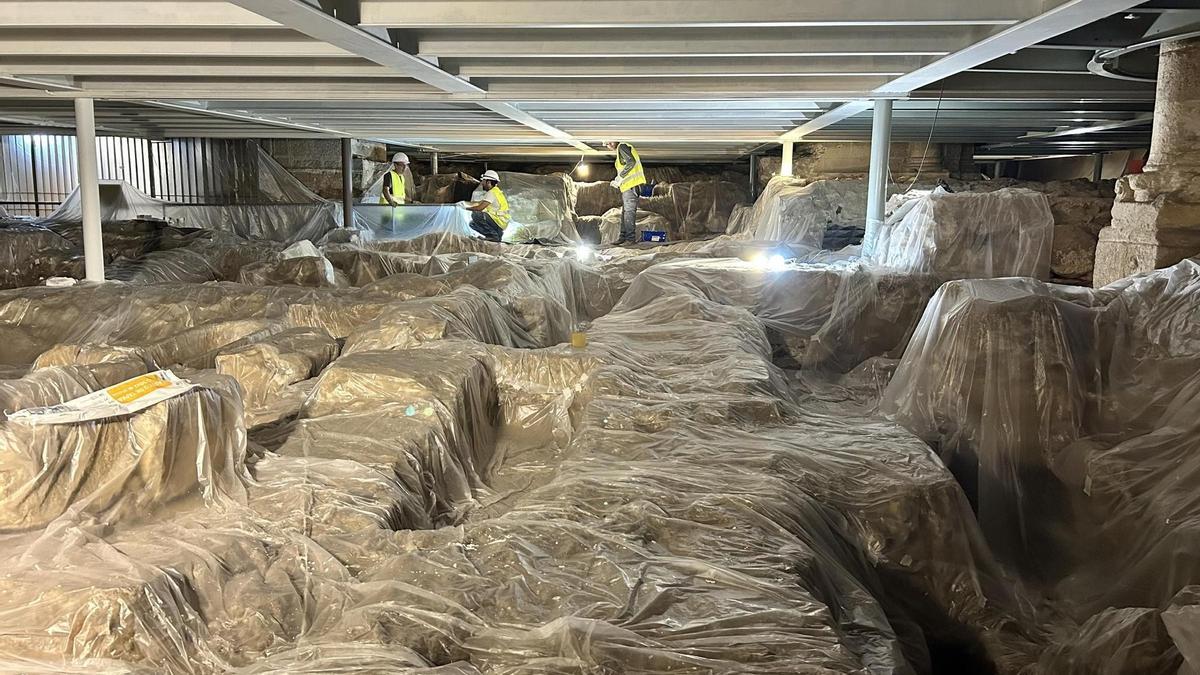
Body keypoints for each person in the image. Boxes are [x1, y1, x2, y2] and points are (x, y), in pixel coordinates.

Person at [605, 140, 646, 244]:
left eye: (609, 142)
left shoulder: (622, 146)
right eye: (606, 144)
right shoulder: (621, 149)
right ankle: (623, 238)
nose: (608, 145)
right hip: (629, 186)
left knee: (629, 213)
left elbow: (631, 162)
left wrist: (620, 178)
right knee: (625, 213)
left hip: (632, 185)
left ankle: (630, 239)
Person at [461, 169, 510, 242]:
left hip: (499, 222)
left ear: (489, 182)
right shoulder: (495, 191)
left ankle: (493, 236)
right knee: (472, 224)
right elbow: (480, 203)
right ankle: (496, 235)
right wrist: (465, 203)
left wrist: (465, 208)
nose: (482, 184)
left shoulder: (492, 193)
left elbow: (479, 208)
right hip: (500, 223)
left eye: (483, 181)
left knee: (477, 215)